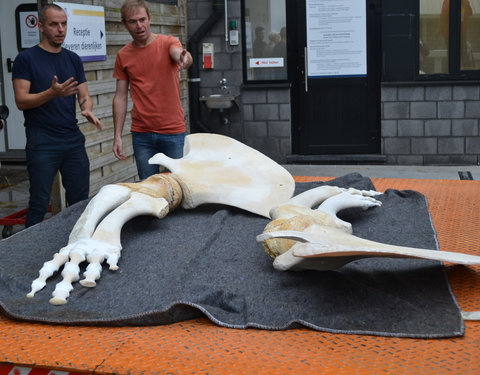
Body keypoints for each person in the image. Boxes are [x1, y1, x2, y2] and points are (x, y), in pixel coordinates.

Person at [12, 3, 103, 228]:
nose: (60, 29)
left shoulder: (73, 58)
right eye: (54, 24)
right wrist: (51, 93)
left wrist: (86, 107)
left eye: (64, 24)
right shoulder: (26, 59)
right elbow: (21, 101)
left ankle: (77, 244)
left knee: (80, 200)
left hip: (72, 138)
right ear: (41, 26)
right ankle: (28, 253)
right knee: (40, 203)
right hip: (42, 140)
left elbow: (84, 94)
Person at [113, 0, 193, 180]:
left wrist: (184, 58)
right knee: (149, 189)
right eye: (132, 21)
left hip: (173, 131)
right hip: (142, 135)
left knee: (180, 186)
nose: (139, 25)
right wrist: (117, 135)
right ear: (125, 24)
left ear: (150, 19)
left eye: (142, 19)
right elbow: (120, 96)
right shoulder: (123, 55)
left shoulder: (167, 42)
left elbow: (180, 54)